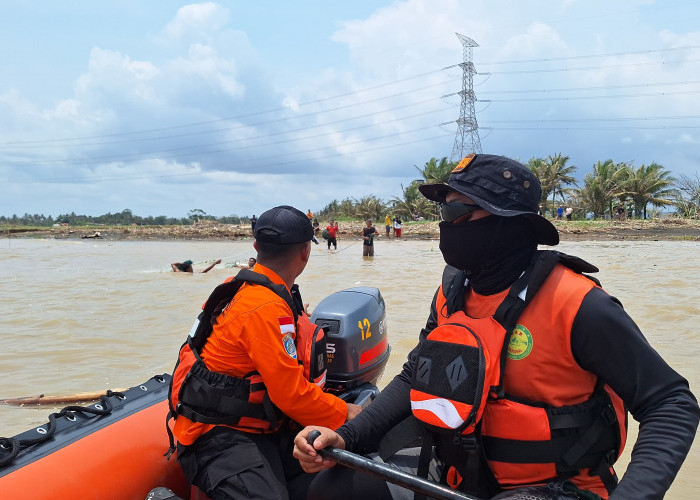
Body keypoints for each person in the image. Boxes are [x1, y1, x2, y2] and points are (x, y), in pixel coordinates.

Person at [294, 154, 699, 500]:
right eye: (443, 213)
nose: (446, 226)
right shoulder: (452, 294)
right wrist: (348, 435)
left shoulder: (578, 305)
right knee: (333, 487)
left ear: (511, 223)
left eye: (457, 213)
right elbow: (414, 373)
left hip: (552, 488)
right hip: (456, 475)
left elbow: (671, 405)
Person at [170, 205, 361, 500]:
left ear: (257, 245)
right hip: (218, 435)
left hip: (252, 425)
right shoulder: (266, 306)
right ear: (305, 253)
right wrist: (346, 411)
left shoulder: (239, 286)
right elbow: (291, 395)